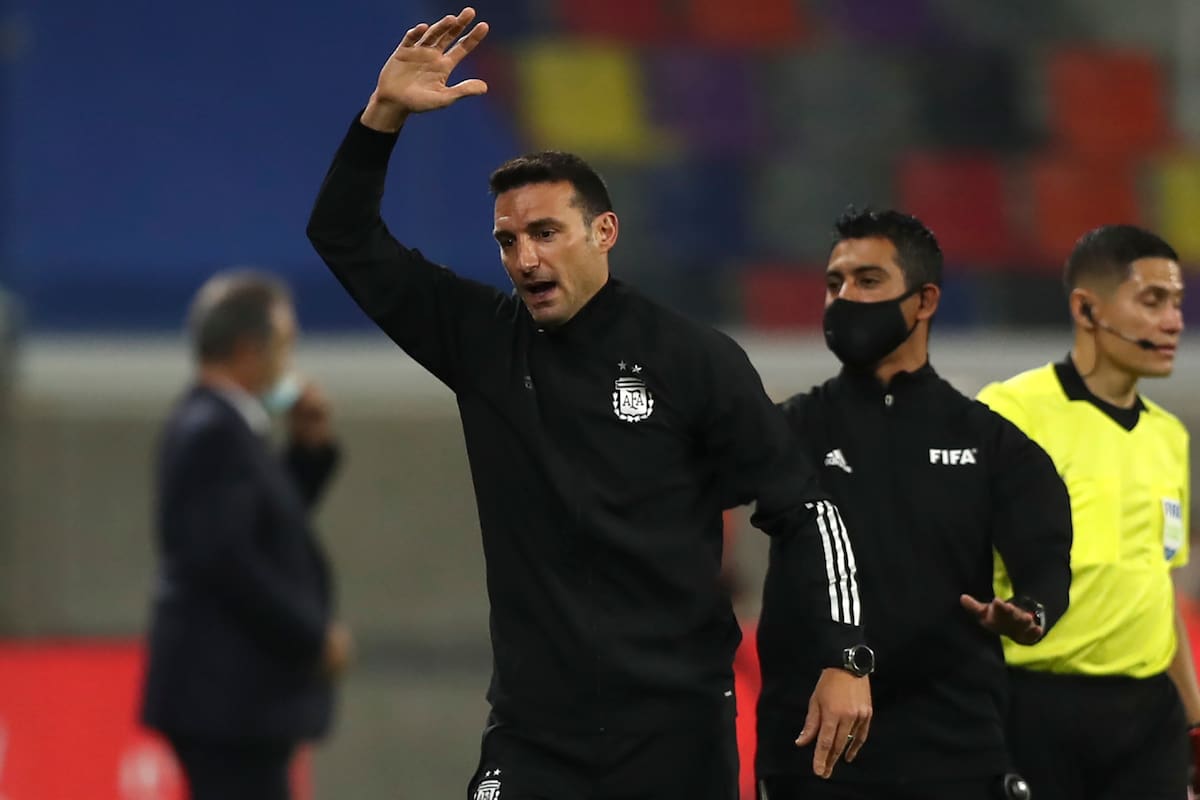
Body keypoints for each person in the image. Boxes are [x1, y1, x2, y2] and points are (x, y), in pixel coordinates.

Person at [306, 8, 870, 799]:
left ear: (604, 231)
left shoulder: (694, 359)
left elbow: (806, 511)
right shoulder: (481, 340)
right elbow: (343, 236)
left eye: (545, 231)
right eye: (507, 240)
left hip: (673, 734)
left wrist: (844, 657)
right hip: (535, 735)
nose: (524, 257)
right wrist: (383, 115)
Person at [756, 209, 1074, 800]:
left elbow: (1046, 555)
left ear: (924, 300)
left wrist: (1030, 612)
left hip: (952, 750)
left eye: (867, 280)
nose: (844, 298)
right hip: (812, 749)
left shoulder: (990, 441)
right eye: (834, 283)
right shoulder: (786, 430)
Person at [978, 224, 1197, 800]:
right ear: (1087, 308)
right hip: (1034, 705)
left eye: (1176, 303)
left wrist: (1195, 722)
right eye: (1152, 301)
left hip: (1150, 715)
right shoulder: (1011, 412)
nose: (1174, 321)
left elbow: (1159, 585)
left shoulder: (1169, 436)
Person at [140, 271, 352, 800]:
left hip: (230, 701)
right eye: (286, 345)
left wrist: (308, 452)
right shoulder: (212, 432)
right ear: (248, 349)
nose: (291, 362)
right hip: (225, 702)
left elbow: (258, 530)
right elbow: (227, 561)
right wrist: (312, 635)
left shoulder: (228, 426)